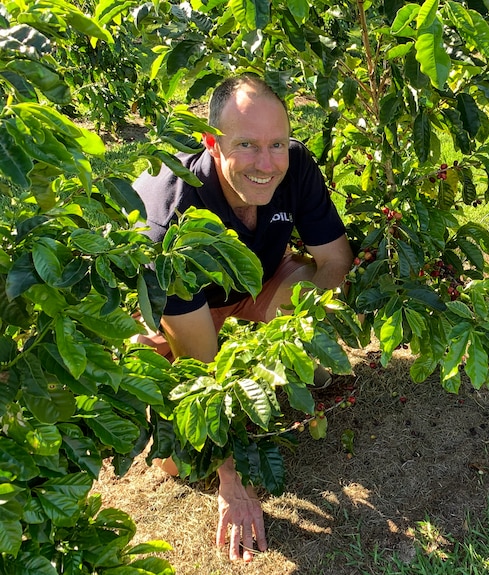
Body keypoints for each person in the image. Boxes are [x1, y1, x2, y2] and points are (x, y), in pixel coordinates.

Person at [132, 74, 354, 562]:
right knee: (179, 459)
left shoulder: (294, 165)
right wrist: (232, 478)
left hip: (256, 284)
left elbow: (336, 260)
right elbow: (204, 368)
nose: (267, 162)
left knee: (312, 356)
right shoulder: (170, 221)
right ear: (212, 144)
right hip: (184, 317)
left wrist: (296, 331)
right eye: (247, 145)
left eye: (277, 143)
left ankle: (268, 353)